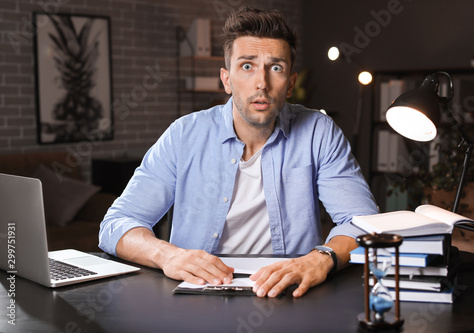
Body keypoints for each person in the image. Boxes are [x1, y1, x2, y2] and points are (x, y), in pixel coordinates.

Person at [99, 7, 378, 298]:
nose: (261, 83)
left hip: (289, 294)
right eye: (247, 66)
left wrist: (321, 258)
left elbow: (364, 224)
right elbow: (117, 225)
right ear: (227, 79)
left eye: (276, 68)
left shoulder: (318, 132)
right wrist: (168, 255)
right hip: (196, 295)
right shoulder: (184, 135)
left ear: (291, 84)